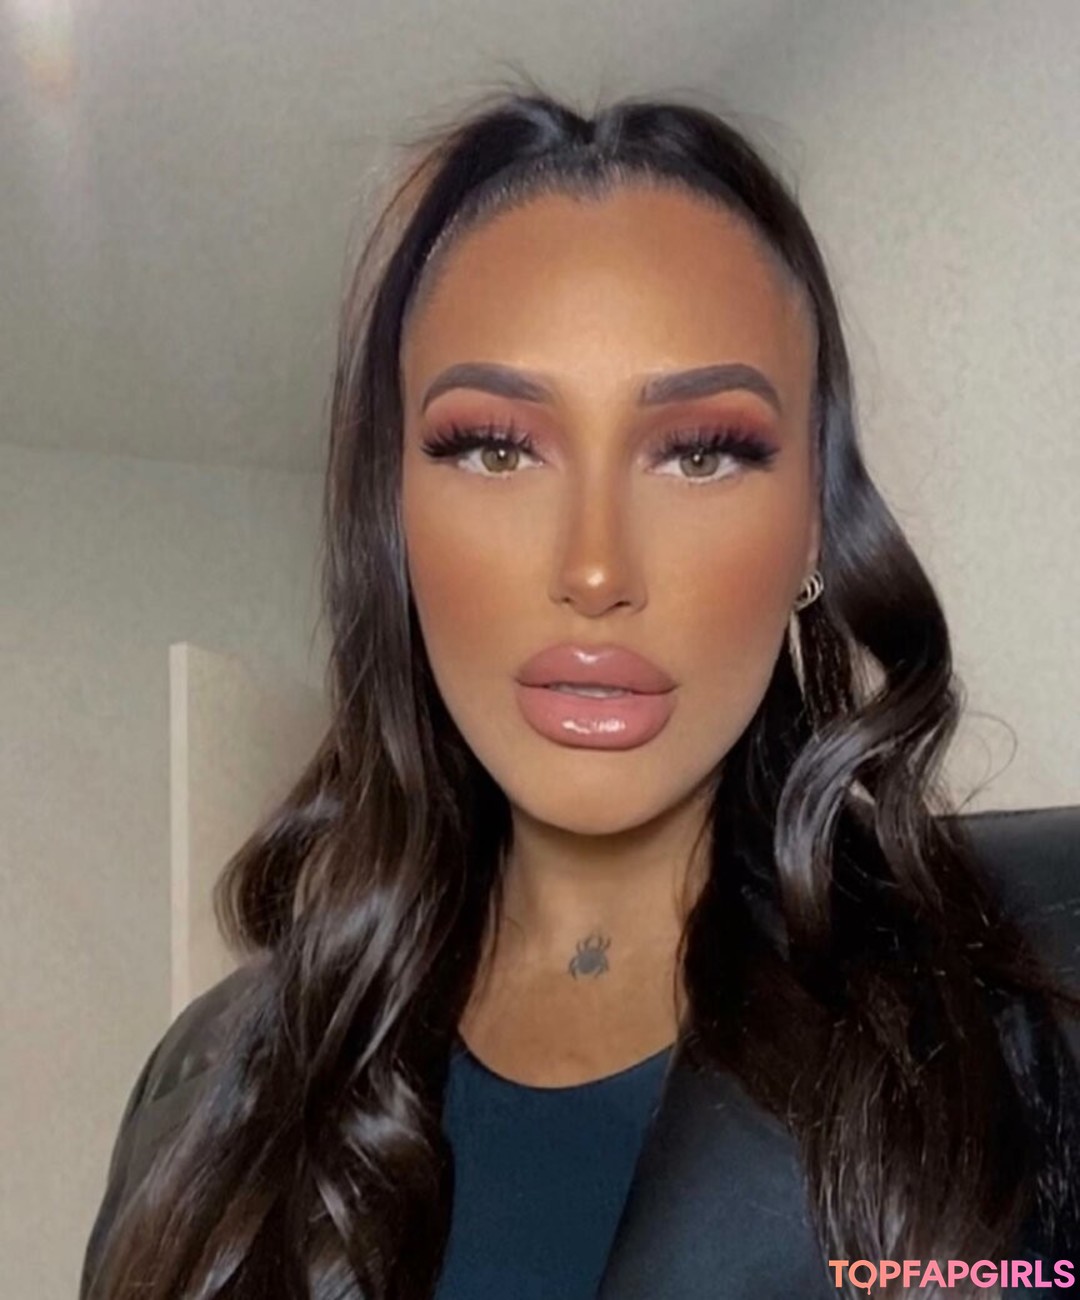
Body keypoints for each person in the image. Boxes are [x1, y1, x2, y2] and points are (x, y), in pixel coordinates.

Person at [80, 81, 1080, 1300]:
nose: (596, 569)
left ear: (816, 527)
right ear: (394, 518)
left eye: (701, 451)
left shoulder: (1020, 1032)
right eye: (495, 447)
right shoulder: (195, 1102)